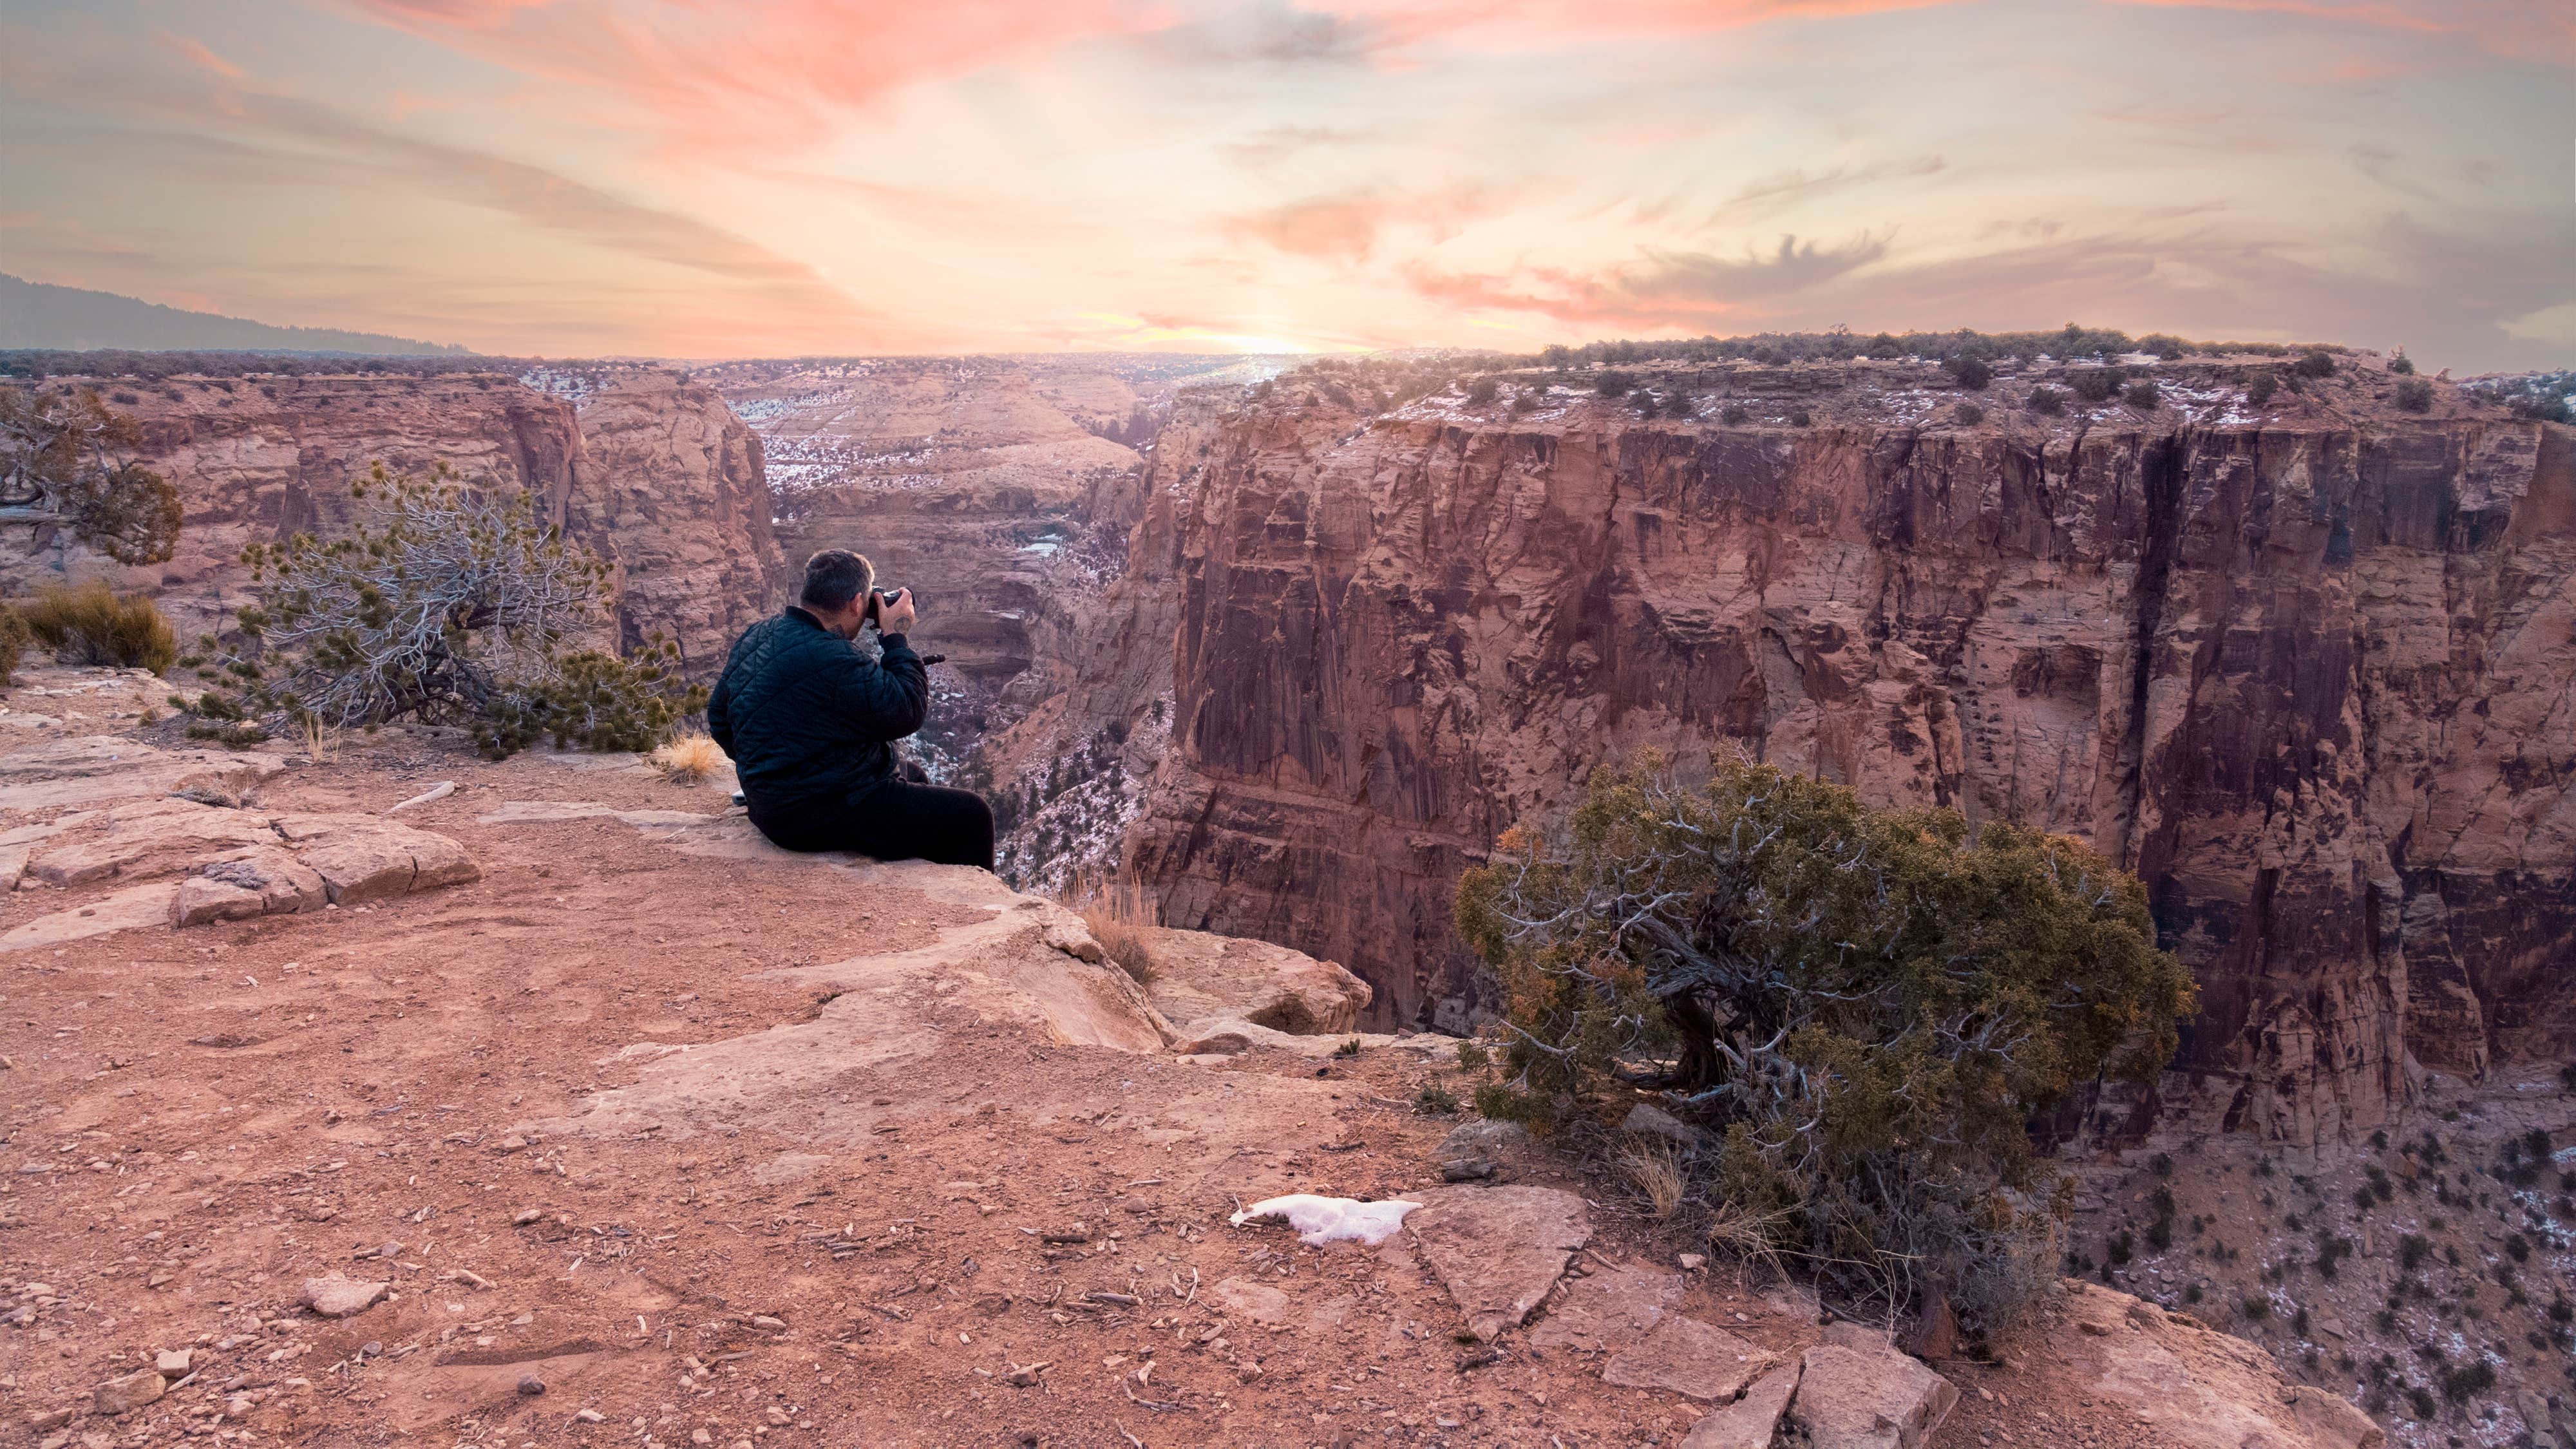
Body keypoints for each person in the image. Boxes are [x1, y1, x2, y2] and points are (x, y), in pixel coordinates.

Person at [707, 549, 994, 870]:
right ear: (859, 603)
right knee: (973, 814)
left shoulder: (756, 636)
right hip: (818, 813)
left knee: (912, 774)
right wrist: (895, 635)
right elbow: (907, 711)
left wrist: (769, 765)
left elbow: (719, 721)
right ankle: (980, 909)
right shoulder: (834, 658)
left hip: (769, 805)